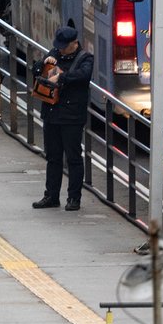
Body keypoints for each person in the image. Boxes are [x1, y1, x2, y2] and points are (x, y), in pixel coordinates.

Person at [32, 25, 95, 211]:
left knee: (73, 158)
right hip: (51, 114)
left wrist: (60, 77)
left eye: (63, 46)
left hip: (72, 117)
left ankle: (74, 198)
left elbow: (82, 76)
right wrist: (44, 63)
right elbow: (35, 70)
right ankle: (51, 195)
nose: (60, 50)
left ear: (74, 43)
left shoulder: (85, 58)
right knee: (53, 157)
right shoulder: (54, 53)